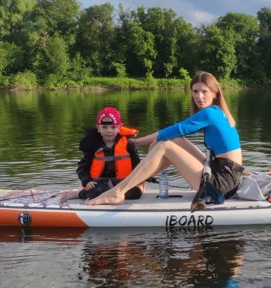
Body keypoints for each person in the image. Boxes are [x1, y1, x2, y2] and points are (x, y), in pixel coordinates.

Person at [86, 71, 244, 210]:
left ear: (215, 93)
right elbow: (173, 134)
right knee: (173, 140)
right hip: (222, 172)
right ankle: (136, 181)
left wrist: (135, 143)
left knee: (166, 144)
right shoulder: (218, 112)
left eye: (204, 91)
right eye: (195, 91)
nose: (199, 96)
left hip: (221, 184)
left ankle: (118, 192)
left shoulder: (210, 114)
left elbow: (170, 131)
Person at [60, 106, 143, 201]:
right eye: (104, 127)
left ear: (119, 128)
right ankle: (78, 194)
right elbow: (82, 168)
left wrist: (140, 180)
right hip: (99, 185)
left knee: (136, 193)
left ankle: (110, 196)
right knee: (94, 192)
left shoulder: (128, 145)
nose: (109, 130)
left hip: (122, 184)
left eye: (113, 127)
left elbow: (137, 165)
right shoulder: (93, 146)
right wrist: (87, 182)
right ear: (98, 128)